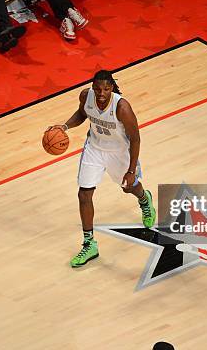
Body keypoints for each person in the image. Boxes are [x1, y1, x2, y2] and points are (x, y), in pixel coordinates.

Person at [49, 70, 156, 268]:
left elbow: (135, 139)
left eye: (106, 89)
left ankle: (144, 199)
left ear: (112, 88)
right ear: (92, 87)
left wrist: (131, 170)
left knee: (128, 186)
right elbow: (83, 113)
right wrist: (64, 126)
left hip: (119, 151)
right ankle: (89, 244)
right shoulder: (86, 96)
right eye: (97, 88)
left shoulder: (122, 107)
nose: (101, 93)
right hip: (95, 148)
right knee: (84, 194)